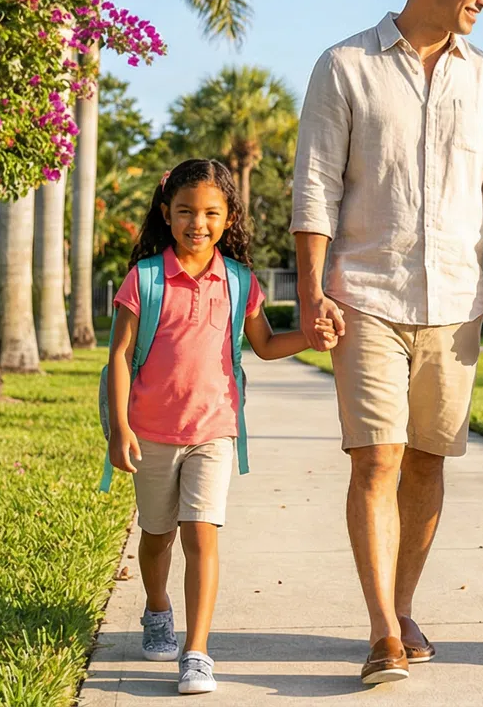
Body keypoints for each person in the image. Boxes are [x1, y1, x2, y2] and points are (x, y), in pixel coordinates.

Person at [291, 0, 483, 686]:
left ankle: (401, 607)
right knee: (379, 460)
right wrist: (309, 293)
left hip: (457, 304)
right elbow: (315, 189)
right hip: (364, 295)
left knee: (429, 462)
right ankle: (381, 635)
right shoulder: (346, 67)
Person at [104, 158, 335, 695]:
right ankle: (157, 607)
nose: (197, 223)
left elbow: (266, 345)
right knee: (156, 535)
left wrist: (312, 337)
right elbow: (118, 357)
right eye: (185, 211)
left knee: (200, 533)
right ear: (166, 213)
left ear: (228, 217)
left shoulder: (239, 281)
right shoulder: (144, 278)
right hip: (153, 432)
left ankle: (197, 651)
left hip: (215, 431)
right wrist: (120, 428)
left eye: (211, 212)